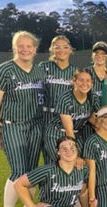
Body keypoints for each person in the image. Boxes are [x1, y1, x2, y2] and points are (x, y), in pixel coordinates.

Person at [0, 31, 45, 207]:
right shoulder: (4, 70)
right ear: (14, 48)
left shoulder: (39, 71)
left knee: (30, 171)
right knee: (18, 172)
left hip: (36, 125)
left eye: (29, 46)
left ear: (35, 48)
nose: (24, 49)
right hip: (12, 126)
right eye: (20, 45)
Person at [44, 68, 97, 165]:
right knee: (67, 162)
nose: (84, 83)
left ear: (92, 83)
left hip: (76, 134)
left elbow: (93, 119)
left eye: (88, 80)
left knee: (83, 164)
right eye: (81, 80)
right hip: (57, 133)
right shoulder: (66, 98)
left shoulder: (92, 97)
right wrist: (74, 155)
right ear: (74, 81)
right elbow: (68, 129)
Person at [39, 35, 77, 164]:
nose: (62, 50)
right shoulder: (44, 67)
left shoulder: (74, 71)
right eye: (57, 47)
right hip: (45, 117)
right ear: (52, 50)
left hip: (64, 119)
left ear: (71, 50)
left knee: (64, 158)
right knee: (49, 158)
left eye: (65, 47)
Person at [82, 41, 107, 142]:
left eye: (103, 54)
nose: (100, 56)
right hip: (86, 122)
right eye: (97, 53)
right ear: (93, 55)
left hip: (105, 122)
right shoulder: (85, 73)